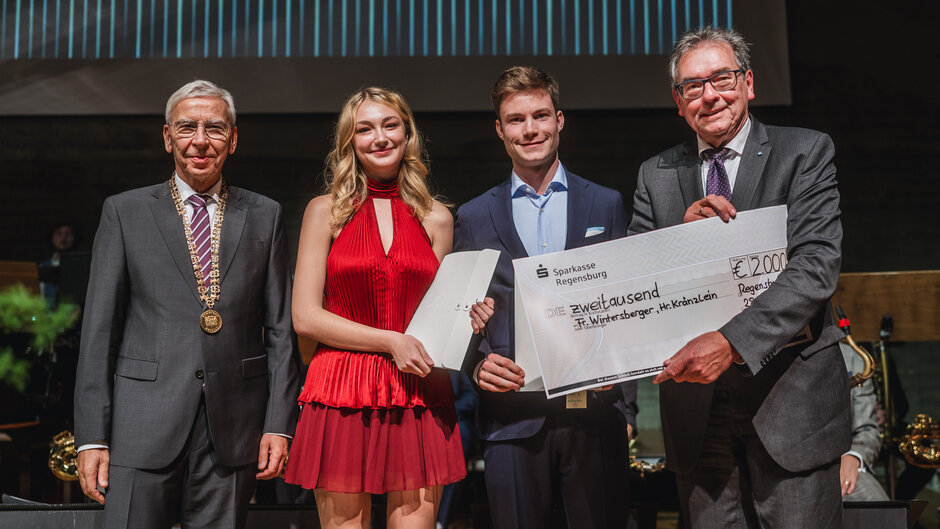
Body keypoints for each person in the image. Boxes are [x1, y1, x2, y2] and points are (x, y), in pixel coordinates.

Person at [629, 27, 850, 528]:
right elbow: (638, 282)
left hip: (790, 405)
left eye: (722, 78)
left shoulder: (805, 153)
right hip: (696, 416)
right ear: (677, 102)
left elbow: (816, 267)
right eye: (692, 86)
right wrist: (678, 239)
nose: (709, 95)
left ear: (748, 83)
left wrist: (729, 343)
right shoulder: (654, 175)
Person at [73, 80, 299, 529]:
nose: (200, 140)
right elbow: (99, 329)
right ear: (167, 137)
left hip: (234, 425)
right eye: (187, 127)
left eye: (214, 128)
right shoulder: (126, 212)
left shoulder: (264, 214)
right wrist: (91, 436)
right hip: (141, 424)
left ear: (232, 140)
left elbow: (279, 329)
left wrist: (279, 423)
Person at [283, 87, 494, 529]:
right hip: (340, 387)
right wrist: (389, 341)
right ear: (350, 142)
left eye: (389, 125)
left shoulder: (436, 217)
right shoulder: (325, 212)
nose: (379, 137)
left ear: (407, 134)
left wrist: (470, 318)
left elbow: (441, 315)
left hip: (417, 390)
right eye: (364, 128)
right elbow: (305, 316)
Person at [453, 66, 638, 529]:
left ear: (560, 120)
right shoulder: (474, 216)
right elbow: (460, 316)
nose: (529, 129)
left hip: (596, 416)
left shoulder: (607, 204)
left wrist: (627, 404)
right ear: (499, 129)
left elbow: (628, 304)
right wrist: (476, 365)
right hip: (511, 422)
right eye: (516, 119)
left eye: (540, 115)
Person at [839, 343, 889, 501]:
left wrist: (854, 456)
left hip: (840, 463)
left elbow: (868, 429)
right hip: (781, 469)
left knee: (886, 517)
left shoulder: (853, 357)